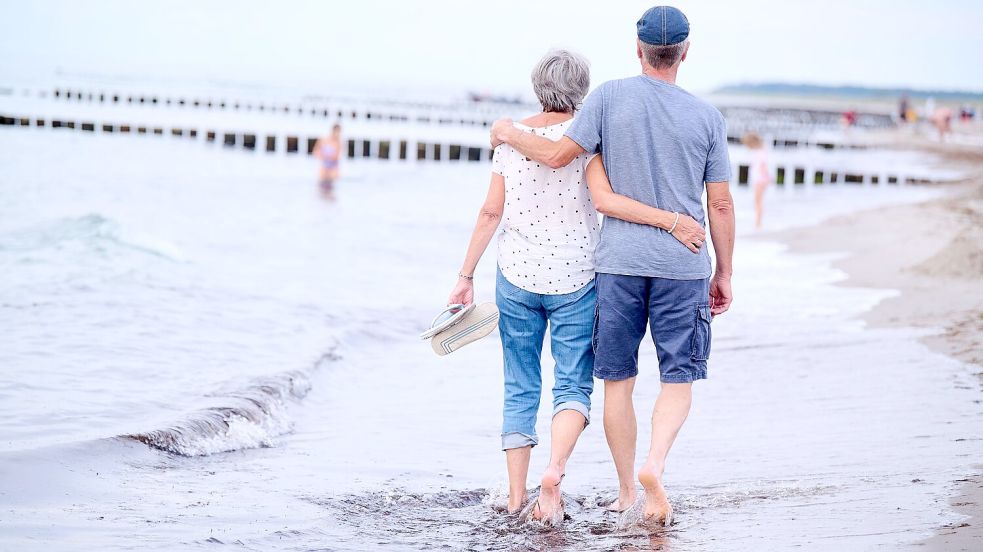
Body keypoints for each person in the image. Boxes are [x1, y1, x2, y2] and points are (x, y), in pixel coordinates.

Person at [491, 5, 735, 528]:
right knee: (678, 378)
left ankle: (627, 489)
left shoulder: (605, 98)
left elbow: (557, 157)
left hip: (618, 265)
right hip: (684, 264)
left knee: (617, 381)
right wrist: (725, 271)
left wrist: (508, 132)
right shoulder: (707, 117)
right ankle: (655, 465)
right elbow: (720, 205)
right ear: (685, 52)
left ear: (638, 49)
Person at [447, 49, 705, 525]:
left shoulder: (509, 140)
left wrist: (465, 276)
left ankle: (515, 495)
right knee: (571, 384)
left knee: (519, 383)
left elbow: (490, 212)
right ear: (582, 90)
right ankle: (555, 472)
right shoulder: (589, 139)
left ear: (536, 84)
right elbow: (604, 200)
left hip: (516, 275)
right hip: (577, 278)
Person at [742, 132, 771, 229]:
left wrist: (768, 177)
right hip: (761, 179)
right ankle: (758, 222)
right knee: (758, 201)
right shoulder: (762, 151)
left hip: (760, 179)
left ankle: (758, 223)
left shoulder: (759, 152)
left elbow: (763, 166)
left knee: (757, 201)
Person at [314, 124, 342, 191]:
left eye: (339, 132)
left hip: (333, 168)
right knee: (321, 188)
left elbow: (337, 157)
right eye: (337, 132)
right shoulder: (324, 140)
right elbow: (316, 151)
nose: (338, 134)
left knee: (331, 188)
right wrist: (324, 156)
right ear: (333, 131)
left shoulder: (338, 143)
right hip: (324, 167)